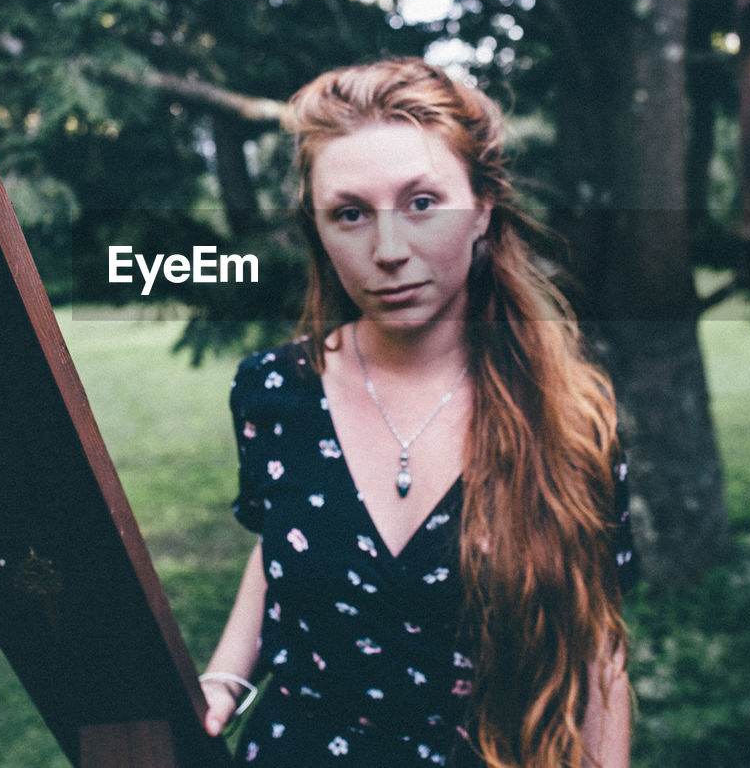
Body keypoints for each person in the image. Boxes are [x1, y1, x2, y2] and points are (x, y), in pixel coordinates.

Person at [199, 58, 637, 767]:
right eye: (350, 214)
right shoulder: (274, 391)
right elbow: (285, 537)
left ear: (484, 208)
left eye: (423, 202)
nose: (389, 250)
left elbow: (596, 648)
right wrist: (226, 670)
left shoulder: (569, 416)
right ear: (318, 230)